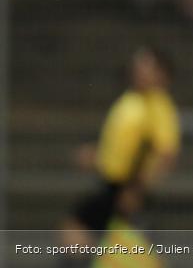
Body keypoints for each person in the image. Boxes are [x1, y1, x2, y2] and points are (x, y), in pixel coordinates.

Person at [60, 46, 181, 259]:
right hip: (112, 183)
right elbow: (121, 146)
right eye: (139, 64)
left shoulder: (158, 106)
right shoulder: (133, 100)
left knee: (81, 233)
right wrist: (98, 156)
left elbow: (165, 154)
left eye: (147, 66)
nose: (139, 70)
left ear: (161, 73)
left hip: (128, 188)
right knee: (93, 239)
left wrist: (139, 189)